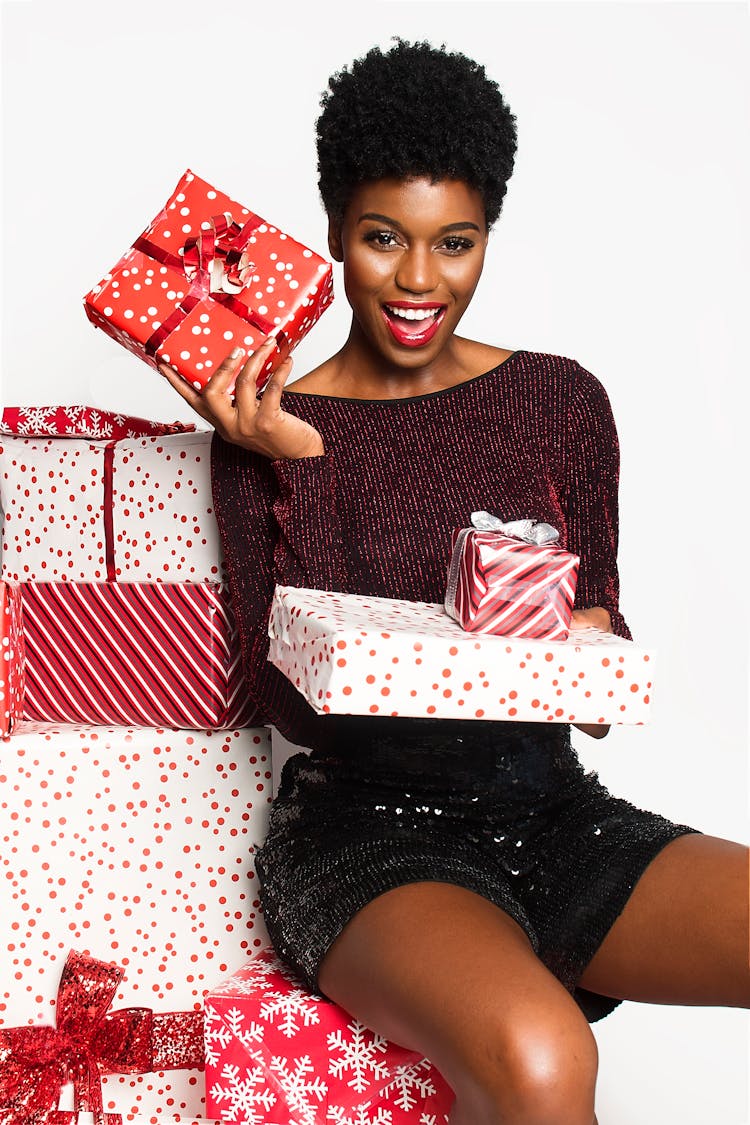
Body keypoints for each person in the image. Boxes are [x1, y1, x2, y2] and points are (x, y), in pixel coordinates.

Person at [161, 39, 749, 1125]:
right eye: (384, 239)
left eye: (455, 242)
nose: (420, 280)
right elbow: (281, 703)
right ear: (335, 228)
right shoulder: (265, 421)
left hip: (554, 812)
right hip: (368, 839)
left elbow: (599, 656)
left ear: (488, 237)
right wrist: (299, 462)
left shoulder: (559, 401)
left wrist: (590, 650)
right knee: (541, 1054)